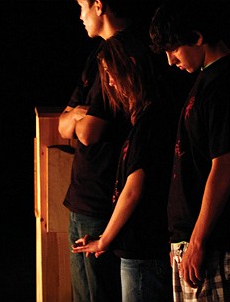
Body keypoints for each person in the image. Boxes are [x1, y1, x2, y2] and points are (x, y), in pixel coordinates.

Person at [149, 0, 230, 301]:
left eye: (174, 49)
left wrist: (198, 242)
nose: (170, 60)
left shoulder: (224, 83)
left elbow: (224, 166)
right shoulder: (208, 79)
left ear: (198, 37)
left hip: (215, 244)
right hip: (197, 240)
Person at [58, 0, 140, 302]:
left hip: (102, 198)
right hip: (84, 196)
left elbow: (88, 132)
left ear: (99, 6)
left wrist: (78, 118)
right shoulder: (98, 55)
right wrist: (77, 116)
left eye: (81, 7)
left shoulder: (121, 55)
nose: (80, 17)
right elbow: (65, 123)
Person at [72, 36, 176, 302]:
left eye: (111, 73)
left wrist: (105, 239)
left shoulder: (150, 119)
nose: (109, 83)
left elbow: (134, 189)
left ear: (129, 67)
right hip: (135, 249)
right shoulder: (141, 117)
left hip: (143, 252)